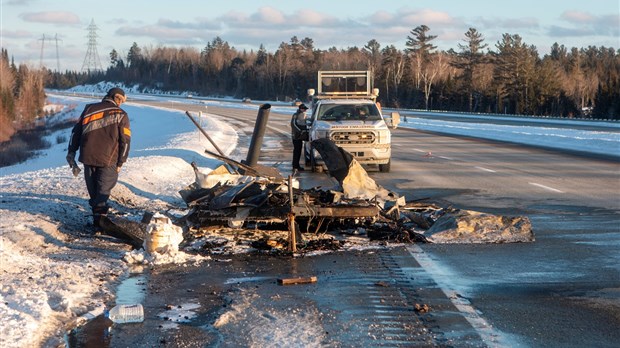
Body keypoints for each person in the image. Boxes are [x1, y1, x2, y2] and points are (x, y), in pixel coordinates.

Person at [67, 87, 131, 232]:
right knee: (102, 193)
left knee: (94, 191)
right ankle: (100, 225)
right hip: (109, 160)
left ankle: (98, 220)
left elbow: (75, 133)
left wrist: (71, 151)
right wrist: (121, 161)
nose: (121, 104)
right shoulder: (121, 115)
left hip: (88, 157)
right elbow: (125, 141)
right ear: (118, 98)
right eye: (121, 101)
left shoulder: (89, 109)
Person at [290, 103, 309, 171]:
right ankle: (295, 166)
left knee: (298, 150)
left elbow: (305, 123)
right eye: (304, 109)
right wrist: (300, 131)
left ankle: (296, 165)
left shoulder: (303, 115)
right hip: (296, 136)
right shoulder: (296, 115)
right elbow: (293, 124)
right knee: (297, 151)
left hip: (299, 136)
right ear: (301, 109)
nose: (305, 110)